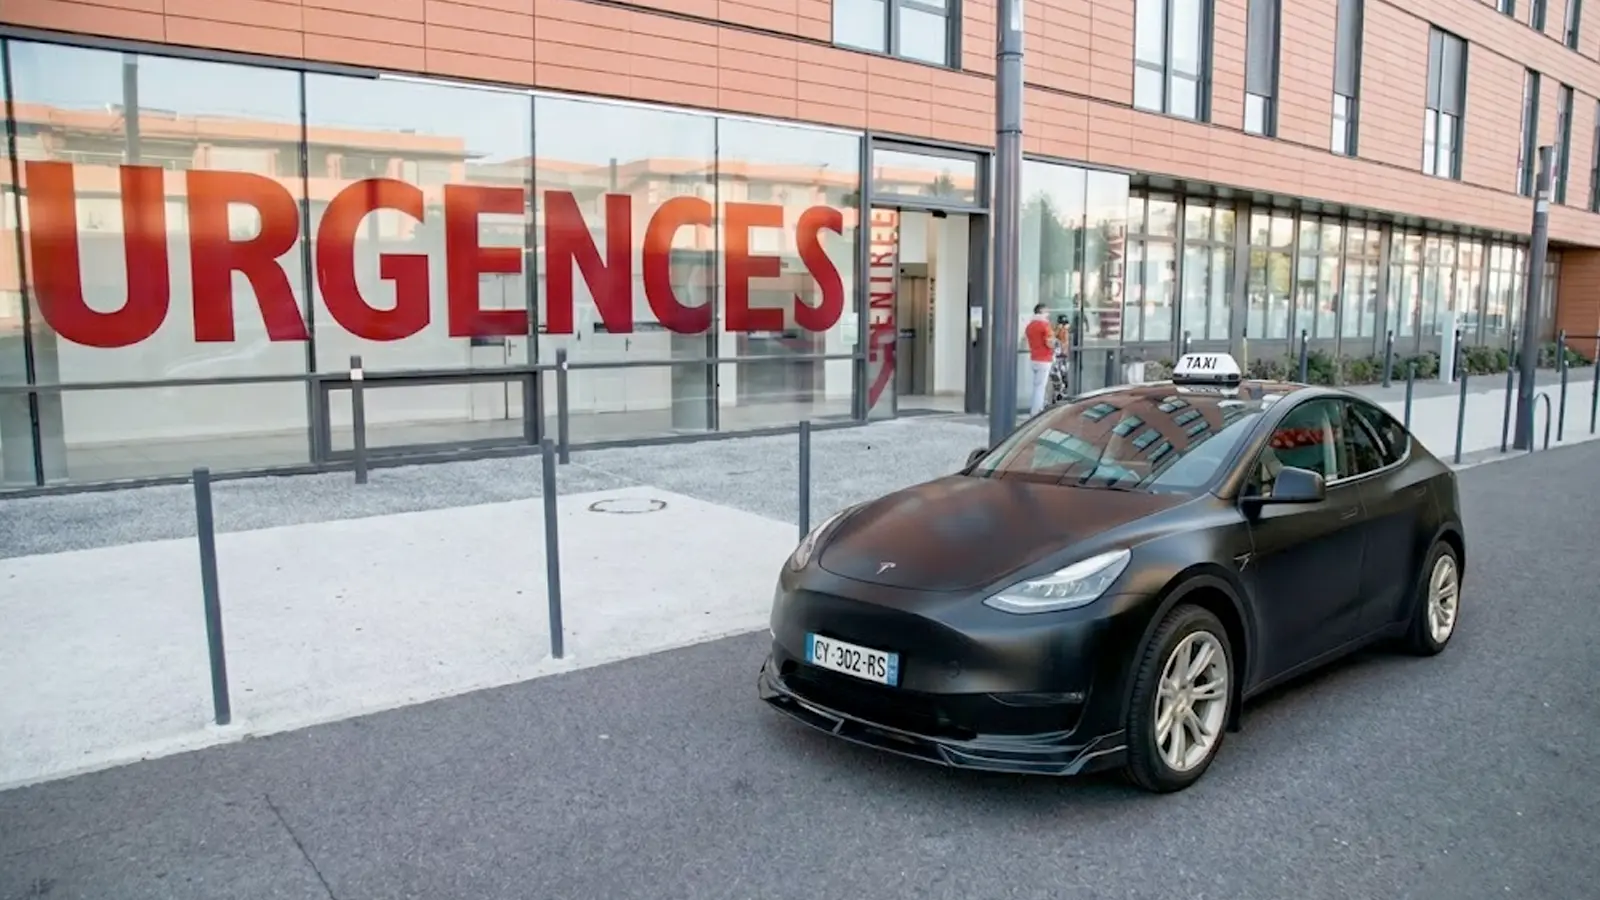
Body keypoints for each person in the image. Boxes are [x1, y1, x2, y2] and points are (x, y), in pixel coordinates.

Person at [1024, 303, 1057, 415]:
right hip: (1044, 359)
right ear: (1042, 312)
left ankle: (1035, 409)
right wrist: (1055, 344)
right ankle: (1036, 412)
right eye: (1047, 311)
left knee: (1036, 386)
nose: (1049, 314)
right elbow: (1050, 343)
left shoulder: (1030, 326)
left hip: (1034, 358)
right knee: (1040, 388)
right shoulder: (1045, 325)